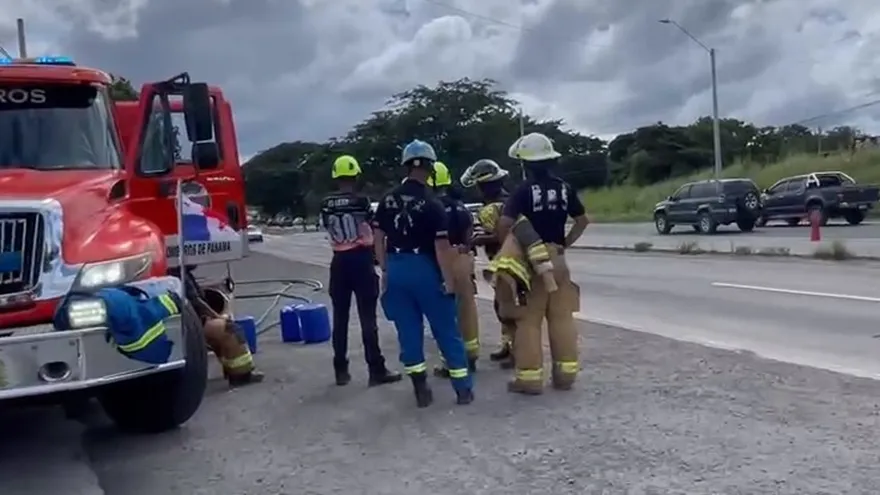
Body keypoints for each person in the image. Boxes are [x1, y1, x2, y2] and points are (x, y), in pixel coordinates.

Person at [373, 140, 475, 408]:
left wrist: (385, 269)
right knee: (446, 330)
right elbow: (441, 246)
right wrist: (448, 280)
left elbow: (378, 235)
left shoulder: (387, 199)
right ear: (430, 167)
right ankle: (463, 389)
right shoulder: (432, 203)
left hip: (396, 268)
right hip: (425, 268)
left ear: (406, 165)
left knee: (408, 331)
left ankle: (421, 390)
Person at [497, 132, 589, 395]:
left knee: (529, 320)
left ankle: (529, 379)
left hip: (532, 263)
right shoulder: (564, 187)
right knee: (562, 318)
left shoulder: (523, 191)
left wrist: (511, 251)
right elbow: (582, 220)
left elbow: (505, 223)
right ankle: (565, 376)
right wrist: (564, 244)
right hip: (559, 260)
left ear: (526, 164)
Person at [320, 154, 402, 387]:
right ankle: (376, 370)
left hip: (339, 262)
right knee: (368, 318)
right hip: (361, 260)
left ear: (336, 177)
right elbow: (373, 227)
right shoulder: (363, 202)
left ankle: (341, 370)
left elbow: (325, 226)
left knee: (340, 318)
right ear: (356, 176)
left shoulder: (326, 203)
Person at [460, 159, 516, 368]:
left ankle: (517, 351)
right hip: (500, 261)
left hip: (510, 262)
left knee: (508, 307)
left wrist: (477, 239)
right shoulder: (500, 203)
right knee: (501, 305)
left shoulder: (501, 205)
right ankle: (508, 345)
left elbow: (506, 236)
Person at [427, 160, 480, 377]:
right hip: (464, 258)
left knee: (446, 314)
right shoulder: (460, 206)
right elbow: (469, 236)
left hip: (443, 261)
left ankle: (451, 363)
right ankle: (471, 355)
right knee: (467, 310)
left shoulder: (431, 207)